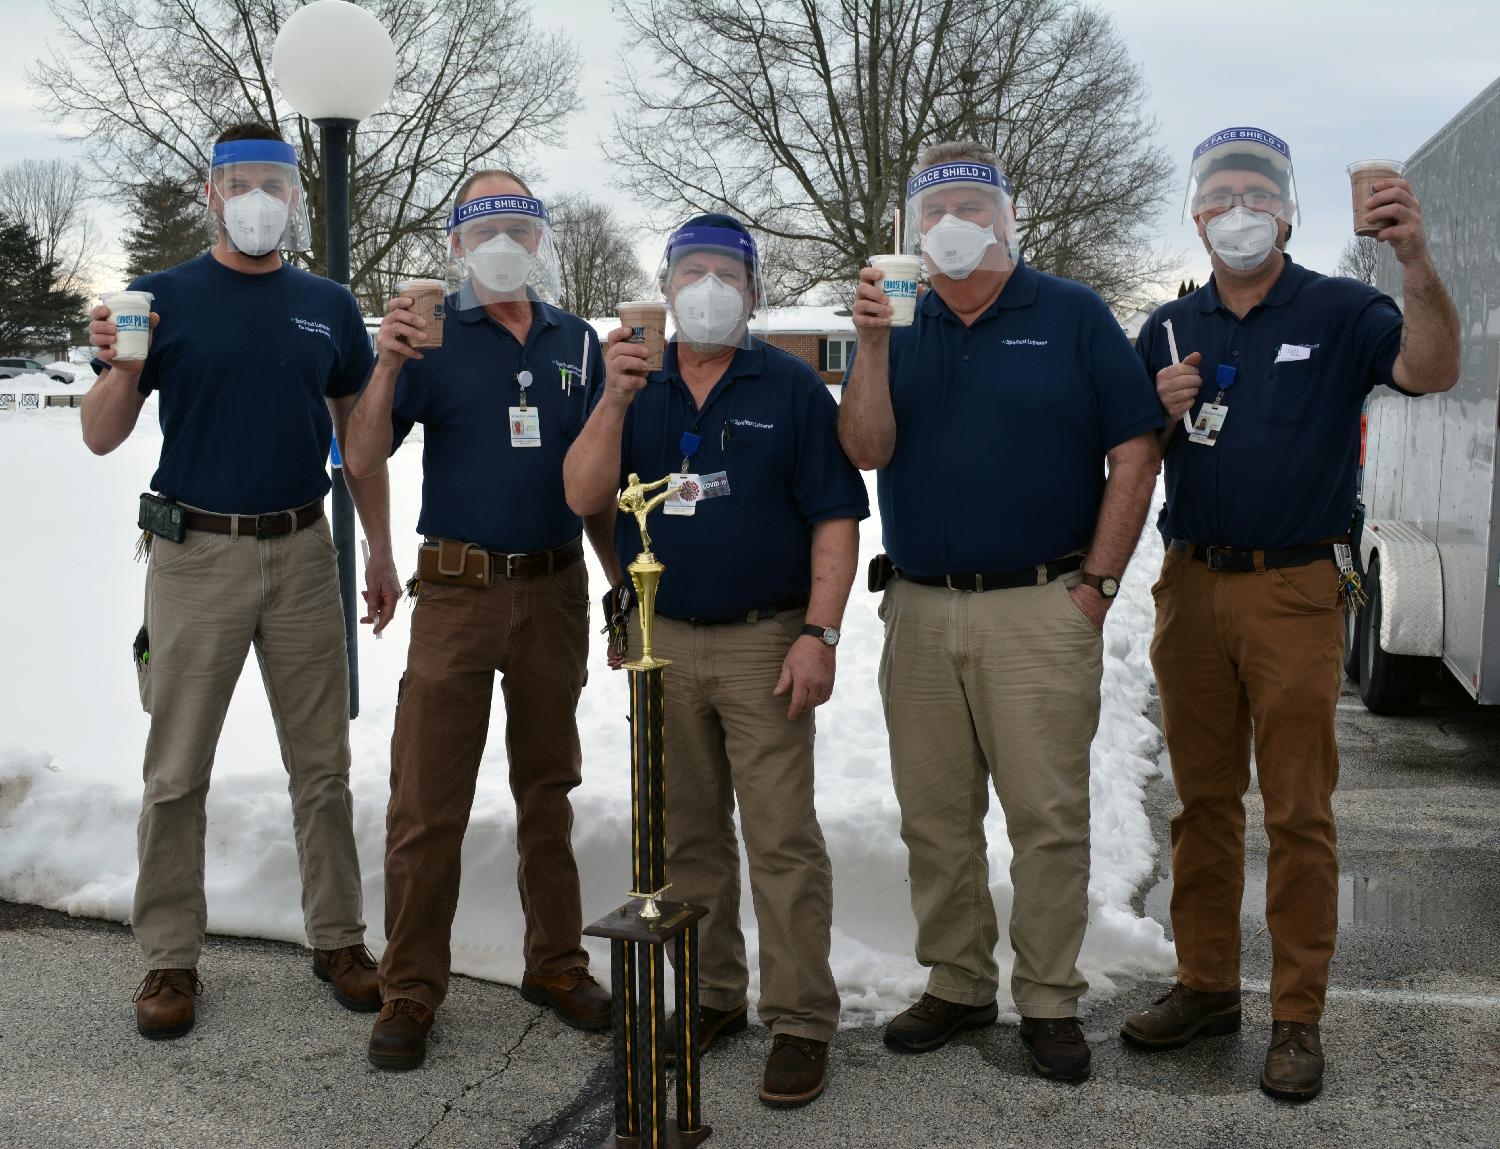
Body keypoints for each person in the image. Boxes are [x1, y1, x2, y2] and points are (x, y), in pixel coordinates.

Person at [1120, 126, 1460, 1101]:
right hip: (1190, 584)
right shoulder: (1169, 328)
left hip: (1295, 589)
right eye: (1219, 192)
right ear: (1194, 211)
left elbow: (1433, 370)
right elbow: (1132, 453)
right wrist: (1158, 405)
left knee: (1300, 812)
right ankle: (1206, 986)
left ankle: (1298, 1017)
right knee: (1202, 805)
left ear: (1287, 208)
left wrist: (1416, 260)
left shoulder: (1344, 309)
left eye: (1255, 192)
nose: (1236, 207)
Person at [839, 142, 1163, 1083]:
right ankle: (958, 979)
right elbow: (863, 448)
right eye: (935, 209)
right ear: (909, 227)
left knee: (1046, 818)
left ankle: (1051, 996)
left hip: (1040, 605)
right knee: (935, 817)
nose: (953, 225)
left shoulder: (1071, 315)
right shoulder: (897, 321)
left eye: (974, 207)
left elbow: (1135, 451)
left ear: (1007, 219)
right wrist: (866, 343)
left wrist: (1097, 585)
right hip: (921, 608)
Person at [80, 122, 400, 1040]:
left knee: (322, 767)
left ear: (297, 196)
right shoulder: (161, 298)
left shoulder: (328, 305)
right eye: (240, 182)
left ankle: (339, 939)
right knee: (176, 771)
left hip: (304, 551)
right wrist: (124, 365)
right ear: (212, 193)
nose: (258, 198)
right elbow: (102, 433)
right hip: (195, 554)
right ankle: (169, 959)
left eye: (275, 182)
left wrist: (376, 549)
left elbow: (360, 444)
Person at [563, 213, 868, 1108]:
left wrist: (821, 632)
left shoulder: (790, 387)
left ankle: (802, 1019)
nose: (707, 289)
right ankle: (710, 993)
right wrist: (615, 400)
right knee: (687, 833)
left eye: (726, 274)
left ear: (754, 290)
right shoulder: (633, 385)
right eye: (689, 272)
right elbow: (585, 496)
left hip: (765, 639)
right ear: (663, 288)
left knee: (780, 837)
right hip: (663, 640)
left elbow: (836, 519)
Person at [342, 171, 617, 1071]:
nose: (504, 239)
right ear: (457, 243)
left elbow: (598, 489)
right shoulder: (429, 338)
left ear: (541, 239)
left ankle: (557, 962)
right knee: (428, 800)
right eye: (484, 224)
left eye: (519, 224)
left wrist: (622, 587)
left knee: (549, 788)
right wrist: (385, 361)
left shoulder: (577, 341)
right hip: (456, 594)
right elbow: (363, 453)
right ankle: (410, 986)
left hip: (554, 592)